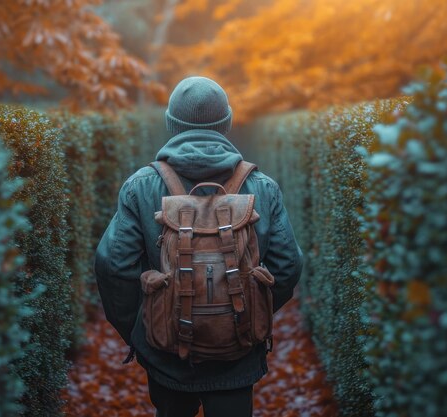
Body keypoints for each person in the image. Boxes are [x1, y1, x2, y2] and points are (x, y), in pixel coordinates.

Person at [94, 76, 303, 417]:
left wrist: (145, 328)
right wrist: (250, 314)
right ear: (227, 122)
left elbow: (112, 266)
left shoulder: (141, 186)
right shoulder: (261, 186)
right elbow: (288, 265)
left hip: (166, 356)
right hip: (238, 355)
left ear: (170, 124)